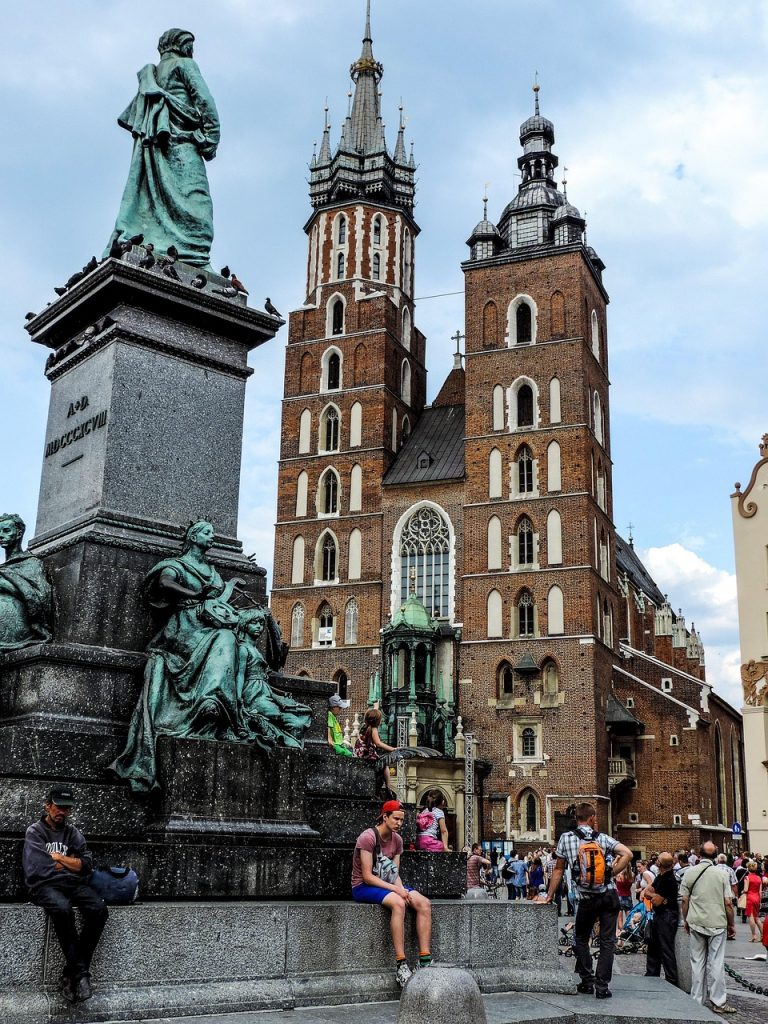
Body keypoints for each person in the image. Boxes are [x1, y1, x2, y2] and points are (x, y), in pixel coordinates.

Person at [111, 520, 310, 789]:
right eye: (207, 533)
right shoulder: (178, 564)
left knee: (229, 638)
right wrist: (194, 593)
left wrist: (229, 591)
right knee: (223, 637)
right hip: (184, 627)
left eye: (214, 533)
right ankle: (210, 704)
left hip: (211, 625)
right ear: (193, 537)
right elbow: (165, 582)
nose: (212, 537)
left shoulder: (214, 572)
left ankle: (214, 703)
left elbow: (218, 603)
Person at [107, 29, 220, 267]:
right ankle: (195, 256)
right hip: (181, 144)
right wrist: (210, 138)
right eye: (190, 45)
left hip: (156, 147)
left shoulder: (151, 76)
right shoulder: (185, 65)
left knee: (151, 197)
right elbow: (204, 100)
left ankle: (162, 246)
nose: (192, 50)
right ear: (181, 46)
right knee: (197, 201)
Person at [536, 801, 632, 1000]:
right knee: (607, 941)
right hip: (608, 896)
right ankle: (602, 987)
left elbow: (559, 869)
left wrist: (549, 895)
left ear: (576, 819)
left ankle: (587, 981)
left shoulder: (566, 838)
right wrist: (610, 873)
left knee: (581, 939)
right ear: (592, 818)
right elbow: (627, 854)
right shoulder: (603, 839)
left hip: (586, 898)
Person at [23, 787, 108, 1004]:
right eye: (59, 806)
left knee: (98, 909)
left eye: (67, 808)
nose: (63, 812)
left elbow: (87, 865)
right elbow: (39, 869)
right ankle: (80, 975)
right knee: (62, 909)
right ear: (48, 805)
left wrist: (59, 858)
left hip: (73, 884)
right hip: (44, 886)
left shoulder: (72, 832)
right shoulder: (35, 832)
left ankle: (71, 974)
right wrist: (71, 864)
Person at [351, 800, 433, 987]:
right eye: (396, 819)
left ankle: (424, 961)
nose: (399, 823)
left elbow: (393, 874)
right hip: (363, 887)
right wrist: (397, 891)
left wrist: (401, 888)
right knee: (398, 903)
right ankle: (401, 964)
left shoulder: (397, 840)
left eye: (402, 820)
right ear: (385, 817)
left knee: (424, 903)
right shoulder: (368, 837)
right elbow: (367, 876)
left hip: (388, 885)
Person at [680, 841, 737, 1014]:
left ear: (700, 854)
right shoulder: (721, 874)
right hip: (717, 923)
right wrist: (731, 924)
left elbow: (684, 900)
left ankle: (696, 1000)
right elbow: (728, 902)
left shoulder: (690, 873)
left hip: (696, 921)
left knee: (697, 963)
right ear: (715, 855)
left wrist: (686, 920)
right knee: (716, 963)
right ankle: (718, 1002)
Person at [0, 512, 53, 650]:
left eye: (6, 530)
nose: (0, 535)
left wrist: (5, 585)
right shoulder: (4, 568)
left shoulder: (31, 564)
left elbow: (41, 597)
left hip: (18, 627)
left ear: (18, 534)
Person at [643, 852, 679, 986]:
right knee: (653, 945)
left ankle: (671, 979)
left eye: (657, 860)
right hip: (660, 915)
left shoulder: (669, 880)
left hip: (667, 916)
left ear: (660, 864)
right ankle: (651, 974)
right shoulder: (660, 876)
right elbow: (647, 892)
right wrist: (652, 894)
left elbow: (656, 900)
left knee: (666, 947)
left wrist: (652, 895)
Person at [743, 860, 765, 942]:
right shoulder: (759, 878)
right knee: (757, 918)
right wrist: (760, 901)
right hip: (757, 898)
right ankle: (763, 935)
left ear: (748, 869)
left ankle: (754, 935)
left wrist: (742, 892)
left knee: (751, 917)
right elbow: (760, 891)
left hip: (750, 898)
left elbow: (745, 889)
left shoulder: (747, 877)